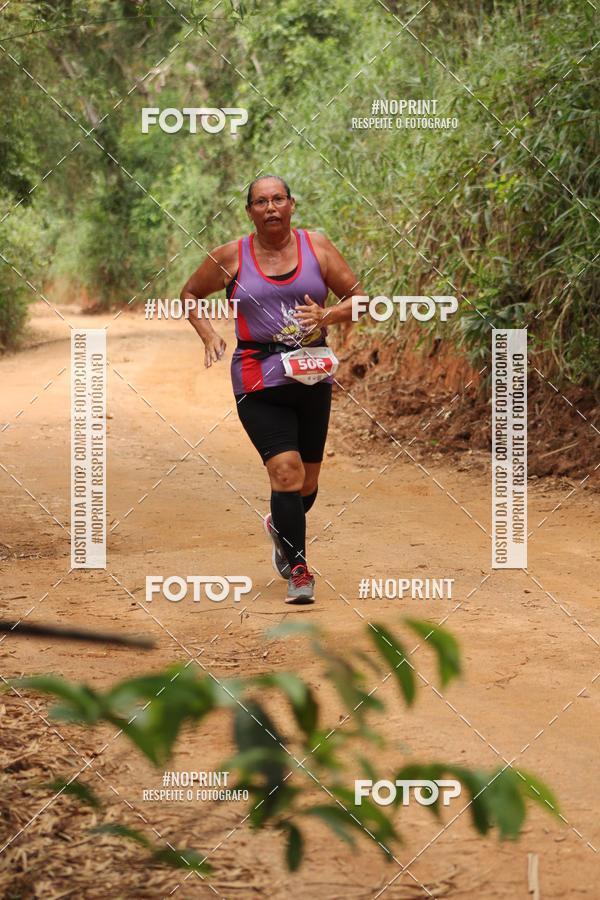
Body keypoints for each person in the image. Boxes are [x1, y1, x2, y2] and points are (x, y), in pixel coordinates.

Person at [181, 175, 364, 603]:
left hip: (311, 374)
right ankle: (299, 570)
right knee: (286, 471)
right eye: (261, 201)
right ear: (249, 212)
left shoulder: (316, 247)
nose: (270, 207)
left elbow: (359, 298)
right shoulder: (233, 256)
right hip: (257, 374)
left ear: (292, 205)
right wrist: (207, 333)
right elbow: (190, 293)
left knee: (307, 484)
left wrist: (328, 316)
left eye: (278, 199)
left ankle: (279, 525)